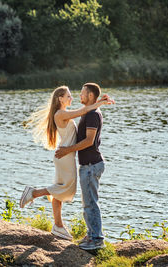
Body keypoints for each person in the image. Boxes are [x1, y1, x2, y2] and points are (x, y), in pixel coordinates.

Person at [20, 85, 113, 241]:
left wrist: (98, 102)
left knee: (60, 191)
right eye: (68, 96)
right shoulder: (61, 114)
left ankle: (58, 226)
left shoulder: (63, 113)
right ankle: (33, 193)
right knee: (67, 189)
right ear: (60, 99)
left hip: (65, 155)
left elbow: (82, 111)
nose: (72, 98)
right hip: (65, 155)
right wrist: (100, 103)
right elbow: (82, 111)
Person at [55, 82, 110, 250]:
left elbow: (88, 141)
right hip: (88, 165)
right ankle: (92, 234)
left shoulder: (93, 114)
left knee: (90, 203)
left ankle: (96, 239)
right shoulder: (88, 111)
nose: (80, 96)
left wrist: (67, 150)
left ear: (91, 96)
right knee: (88, 203)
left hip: (91, 165)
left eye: (83, 93)